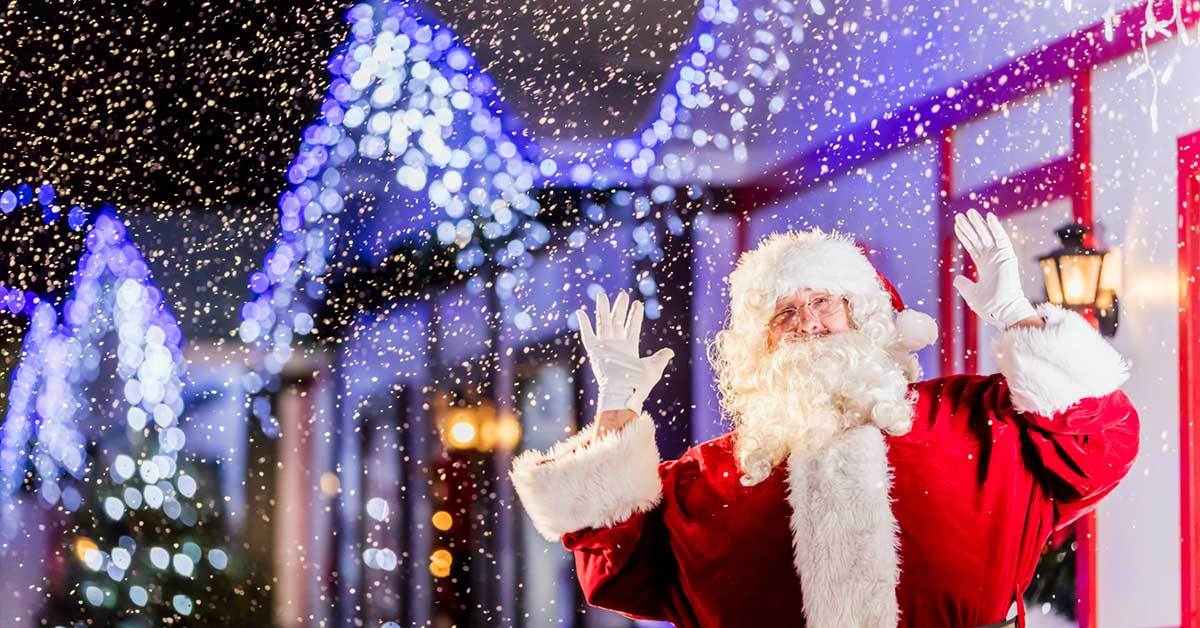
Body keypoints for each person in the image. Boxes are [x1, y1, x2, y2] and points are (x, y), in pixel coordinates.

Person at [509, 209, 1139, 628]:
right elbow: (615, 565)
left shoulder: (973, 418)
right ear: (762, 343)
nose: (807, 322)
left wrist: (1018, 317)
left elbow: (1098, 443)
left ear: (862, 314)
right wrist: (618, 404)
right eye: (784, 314)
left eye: (822, 302)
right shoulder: (712, 476)